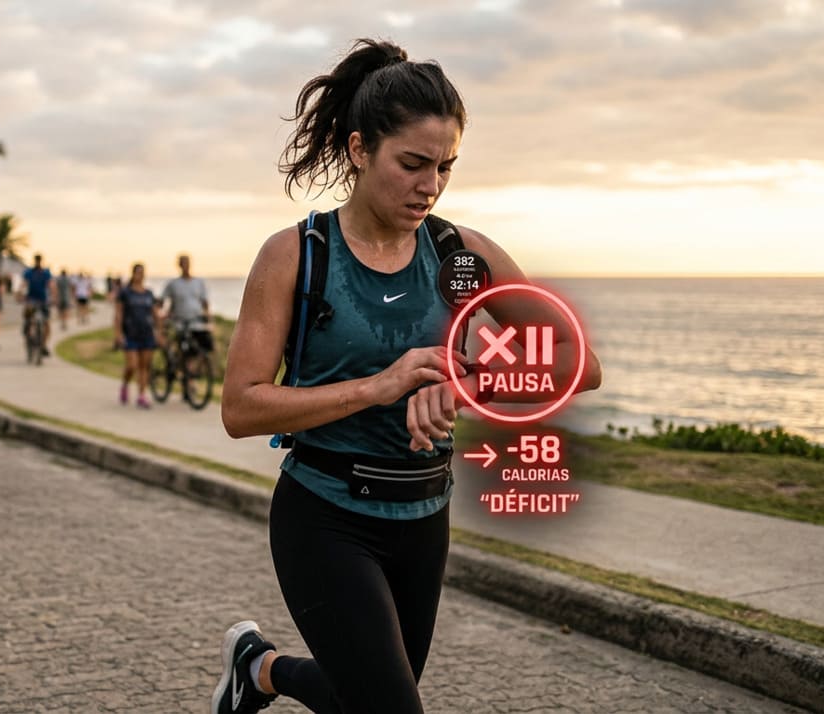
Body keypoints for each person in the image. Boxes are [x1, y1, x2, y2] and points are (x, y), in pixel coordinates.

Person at [212, 39, 603, 714]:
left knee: (364, 697)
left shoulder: (460, 255)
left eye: (445, 167)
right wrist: (378, 387)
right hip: (324, 516)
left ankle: (260, 669)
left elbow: (580, 362)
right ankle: (260, 669)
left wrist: (469, 385)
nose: (431, 186)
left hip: (424, 517)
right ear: (360, 150)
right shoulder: (298, 255)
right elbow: (241, 408)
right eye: (413, 164)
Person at [114, 262, 160, 408]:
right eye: (138, 272)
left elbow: (155, 314)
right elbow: (119, 314)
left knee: (144, 366)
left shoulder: (148, 293)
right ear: (133, 274)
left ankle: (142, 395)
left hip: (146, 333)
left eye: (142, 273)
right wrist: (118, 333)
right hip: (130, 334)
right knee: (132, 365)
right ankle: (125, 384)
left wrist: (159, 331)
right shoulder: (125, 293)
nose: (140, 275)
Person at [160, 253, 214, 357]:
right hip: (179, 324)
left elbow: (205, 303)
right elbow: (162, 301)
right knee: (183, 351)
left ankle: (195, 366)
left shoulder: (199, 282)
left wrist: (210, 320)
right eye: (183, 263)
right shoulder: (173, 284)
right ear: (179, 265)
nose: (185, 265)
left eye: (187, 263)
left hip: (197, 323)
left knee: (204, 349)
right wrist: (162, 317)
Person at [19, 254, 55, 356]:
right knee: (28, 319)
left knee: (47, 324)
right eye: (37, 260)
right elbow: (24, 284)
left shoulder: (46, 273)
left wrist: (53, 297)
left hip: (43, 300)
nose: (38, 262)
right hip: (31, 300)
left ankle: (43, 345)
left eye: (39, 260)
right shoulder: (29, 272)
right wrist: (20, 293)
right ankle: (28, 336)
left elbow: (51, 285)